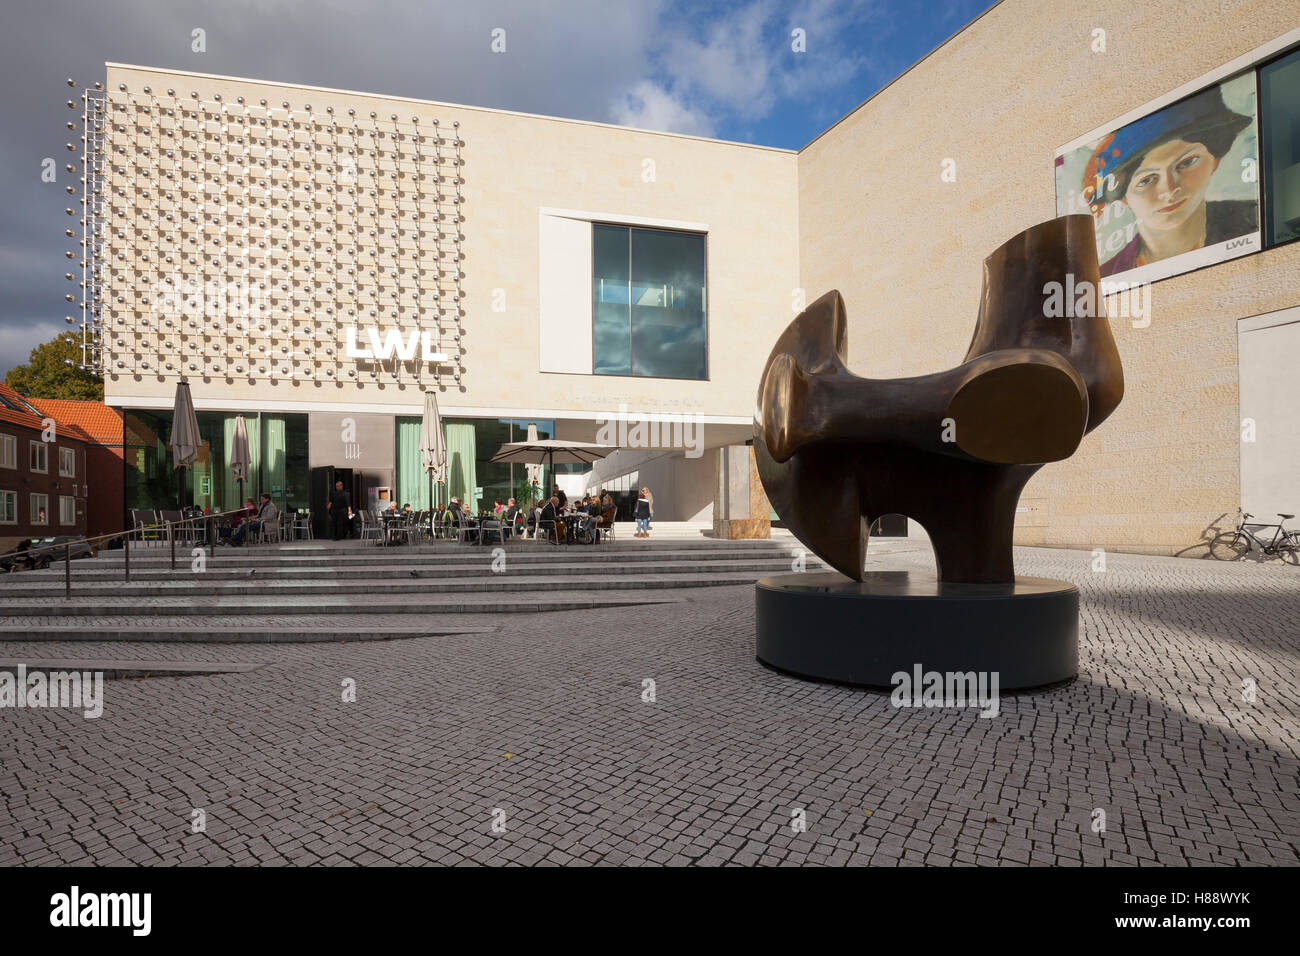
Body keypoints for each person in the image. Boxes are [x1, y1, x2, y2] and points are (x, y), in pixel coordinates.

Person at [1083, 85, 1255, 277]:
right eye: (1146, 180)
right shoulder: (1105, 278)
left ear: (1215, 159)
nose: (1169, 189)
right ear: (1123, 196)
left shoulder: (1254, 223)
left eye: (1187, 162)